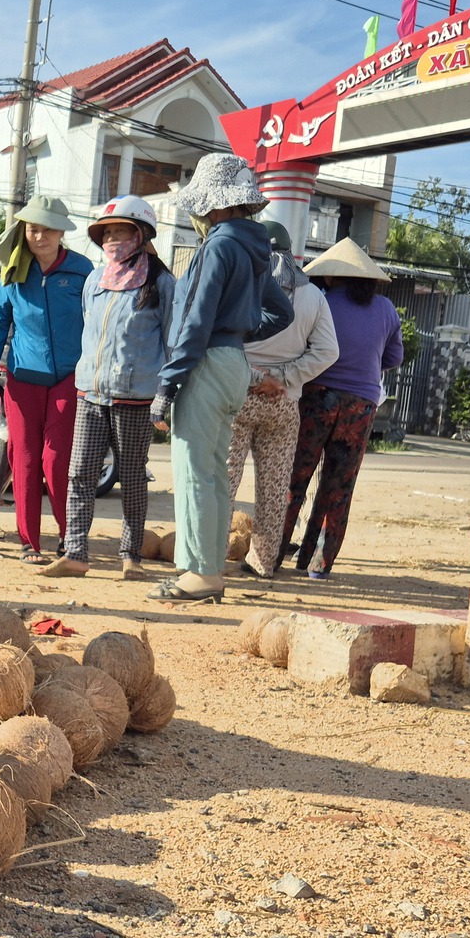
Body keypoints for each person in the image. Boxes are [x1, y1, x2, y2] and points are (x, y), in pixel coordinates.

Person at [150, 154, 293, 604]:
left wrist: (167, 386)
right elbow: (281, 312)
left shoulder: (216, 246)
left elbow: (194, 321)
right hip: (232, 363)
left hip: (205, 363)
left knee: (196, 475)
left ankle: (200, 574)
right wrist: (241, 329)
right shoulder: (255, 248)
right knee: (211, 474)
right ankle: (207, 570)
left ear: (211, 204)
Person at [41, 196, 173, 580]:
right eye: (107, 232)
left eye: (122, 231)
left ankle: (130, 556)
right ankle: (76, 553)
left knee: (131, 478)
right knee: (79, 474)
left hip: (135, 398)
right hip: (90, 395)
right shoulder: (94, 280)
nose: (113, 238)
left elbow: (173, 341)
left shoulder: (161, 283)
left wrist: (165, 396)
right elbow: (89, 331)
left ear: (142, 234)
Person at [0, 195, 92, 565]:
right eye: (32, 229)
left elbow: (98, 322)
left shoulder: (82, 270)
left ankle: (67, 537)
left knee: (57, 461)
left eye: (45, 229)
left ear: (61, 232)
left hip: (69, 380)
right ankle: (30, 543)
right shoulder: (12, 274)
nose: (38, 236)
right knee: (24, 460)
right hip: (24, 380)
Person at [225, 220, 339, 578]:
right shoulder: (313, 296)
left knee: (222, 481)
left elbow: (222, 344)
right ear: (293, 252)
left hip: (235, 395)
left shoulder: (241, 285)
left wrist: (257, 376)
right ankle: (263, 564)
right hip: (283, 403)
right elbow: (327, 351)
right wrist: (283, 378)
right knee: (275, 488)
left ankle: (209, 559)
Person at [283, 238, 402, 579]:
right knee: (339, 486)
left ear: (331, 276)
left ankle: (271, 555)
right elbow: (393, 358)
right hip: (361, 407)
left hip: (316, 397)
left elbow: (298, 347)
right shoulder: (386, 310)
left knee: (295, 480)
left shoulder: (319, 301)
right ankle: (317, 565)